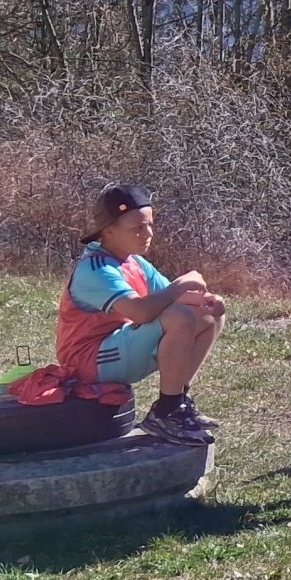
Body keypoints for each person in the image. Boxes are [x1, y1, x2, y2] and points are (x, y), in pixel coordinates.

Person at [52, 184, 227, 445]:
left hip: (119, 349)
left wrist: (208, 302)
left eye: (150, 225)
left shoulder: (133, 262)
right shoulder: (95, 269)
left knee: (209, 315)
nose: (148, 234)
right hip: (88, 362)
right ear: (109, 231)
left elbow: (171, 298)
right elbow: (142, 312)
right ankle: (167, 412)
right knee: (180, 317)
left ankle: (179, 402)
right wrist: (180, 285)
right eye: (137, 228)